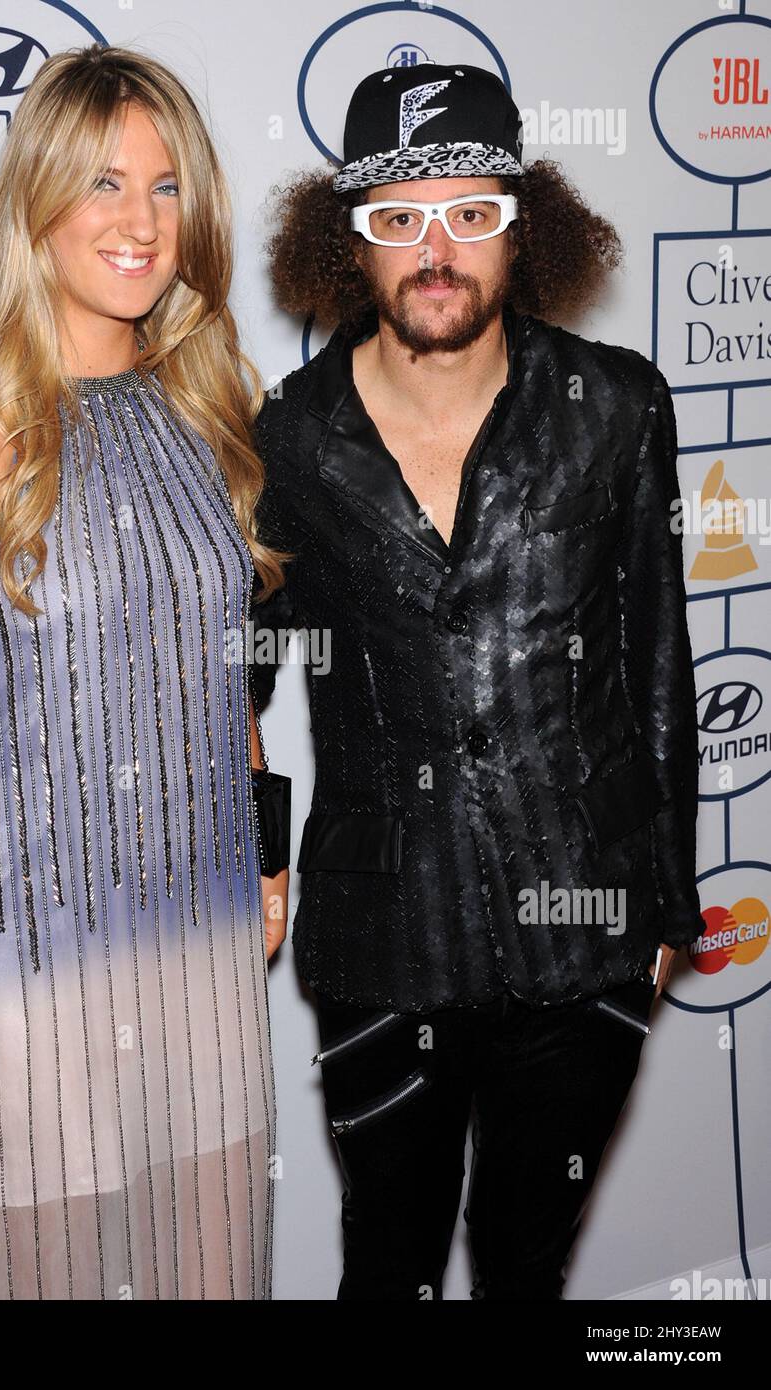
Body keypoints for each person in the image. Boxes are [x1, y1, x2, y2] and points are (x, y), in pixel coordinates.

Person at [0, 43, 288, 1301]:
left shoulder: (207, 409)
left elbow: (226, 678)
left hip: (200, 980)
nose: (139, 222)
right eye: (101, 183)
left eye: (164, 187)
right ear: (35, 199)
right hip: (19, 994)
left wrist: (265, 847)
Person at [250, 63, 703, 1299]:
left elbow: (659, 658)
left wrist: (668, 906)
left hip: (588, 938)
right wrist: (262, 851)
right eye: (397, 219)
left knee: (525, 1266)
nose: (434, 250)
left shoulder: (615, 406)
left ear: (524, 219)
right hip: (379, 942)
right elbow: (227, 675)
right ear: (348, 243)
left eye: (469, 212)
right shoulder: (286, 435)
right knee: (384, 1269)